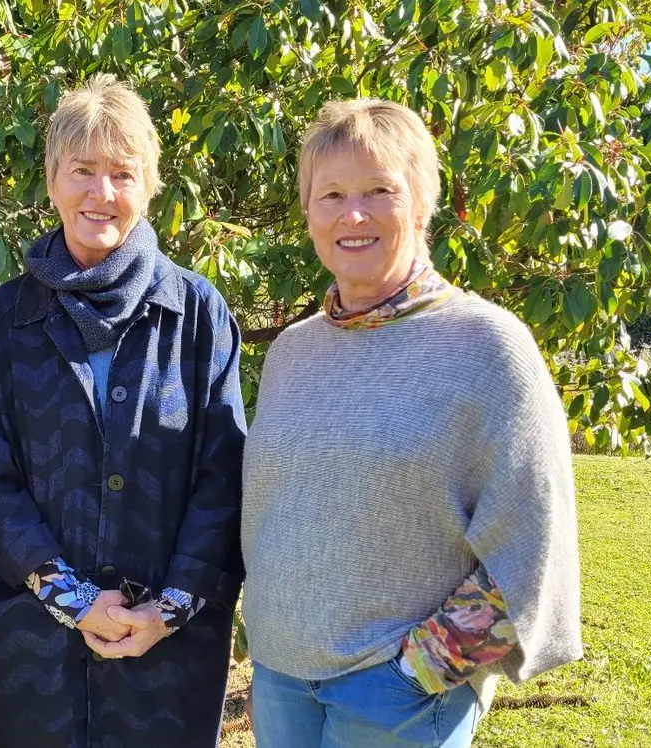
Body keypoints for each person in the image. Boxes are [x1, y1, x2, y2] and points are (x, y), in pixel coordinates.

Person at [241, 98, 582, 748]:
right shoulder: (293, 352)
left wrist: (416, 672)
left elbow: (534, 544)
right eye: (331, 194)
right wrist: (271, 662)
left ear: (421, 203)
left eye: (380, 191)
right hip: (283, 680)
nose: (353, 214)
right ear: (308, 212)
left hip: (395, 698)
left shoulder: (486, 345)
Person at [0, 74, 247, 748]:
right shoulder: (5, 321)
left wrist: (169, 609)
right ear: (52, 180)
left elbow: (224, 476)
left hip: (165, 656)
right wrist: (73, 599)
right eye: (82, 170)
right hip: (33, 654)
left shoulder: (198, 314)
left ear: (150, 184)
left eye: (122, 172)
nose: (101, 192)